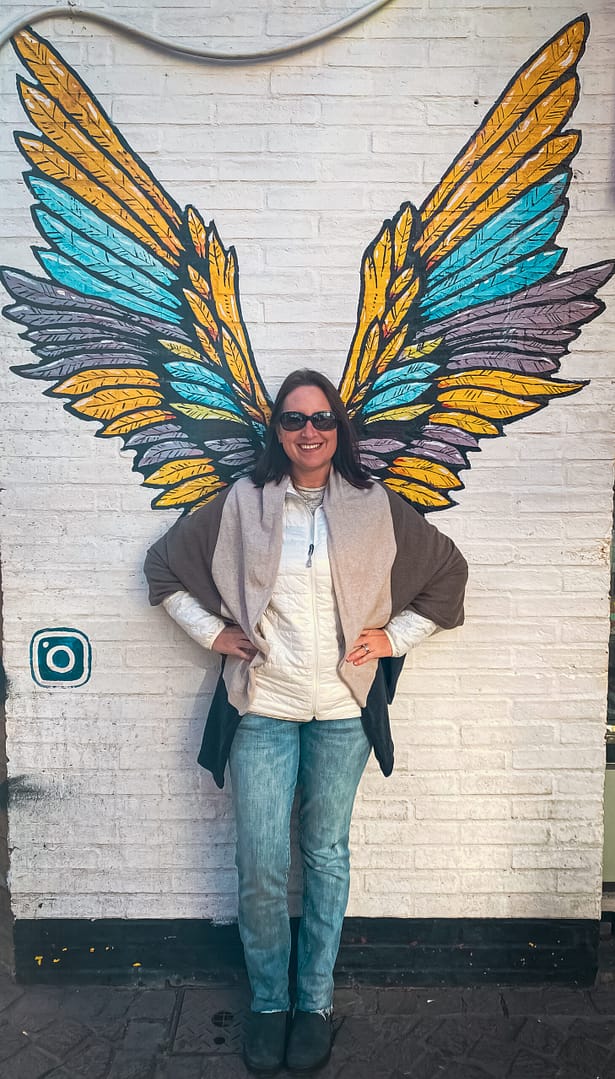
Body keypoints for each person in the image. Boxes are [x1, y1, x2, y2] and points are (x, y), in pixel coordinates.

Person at [144, 369, 467, 1075]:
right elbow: (163, 568)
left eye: (320, 418)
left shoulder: (374, 506)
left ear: (339, 427)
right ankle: (268, 1003)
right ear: (277, 430)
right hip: (263, 704)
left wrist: (393, 636)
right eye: (293, 420)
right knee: (260, 862)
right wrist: (212, 633)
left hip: (343, 710)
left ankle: (313, 1000)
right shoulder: (242, 503)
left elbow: (446, 573)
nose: (309, 431)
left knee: (324, 854)